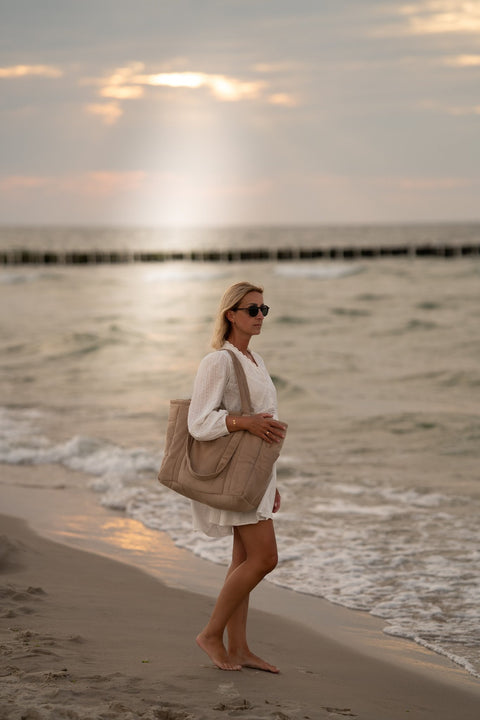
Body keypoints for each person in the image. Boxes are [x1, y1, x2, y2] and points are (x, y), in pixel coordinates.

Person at [188, 281, 286, 673]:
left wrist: (272, 482)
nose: (260, 317)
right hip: (235, 476)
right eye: (252, 310)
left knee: (243, 560)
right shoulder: (218, 362)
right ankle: (211, 634)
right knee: (265, 558)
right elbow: (198, 422)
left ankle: (240, 648)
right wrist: (242, 422)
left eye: (264, 310)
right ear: (231, 314)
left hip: (256, 476)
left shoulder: (256, 360)